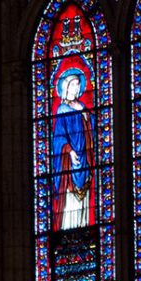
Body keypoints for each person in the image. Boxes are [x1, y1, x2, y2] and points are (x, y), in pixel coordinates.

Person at [51, 66, 94, 231]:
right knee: (70, 200)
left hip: (85, 158)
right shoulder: (62, 110)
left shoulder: (83, 109)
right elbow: (59, 138)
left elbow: (94, 131)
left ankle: (83, 229)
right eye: (74, 84)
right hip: (70, 162)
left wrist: (88, 119)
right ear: (66, 87)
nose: (77, 88)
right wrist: (69, 150)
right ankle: (69, 231)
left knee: (84, 201)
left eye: (78, 84)